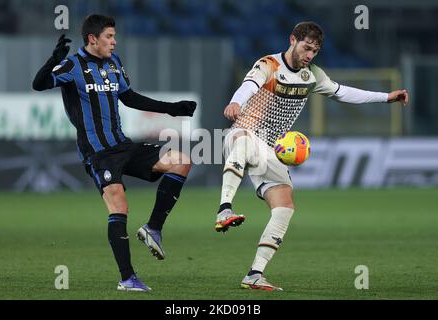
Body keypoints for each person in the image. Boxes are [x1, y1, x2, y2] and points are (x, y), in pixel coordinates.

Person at [215, 21, 408, 291]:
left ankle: (255, 274)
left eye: (314, 52)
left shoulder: (312, 75)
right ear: (293, 40)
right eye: (306, 48)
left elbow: (343, 93)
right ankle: (224, 209)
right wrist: (236, 101)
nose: (309, 56)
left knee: (284, 207)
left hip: (270, 150)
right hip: (241, 134)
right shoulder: (268, 64)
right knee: (243, 139)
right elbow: (249, 85)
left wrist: (386, 97)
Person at [32, 14, 196, 292]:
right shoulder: (72, 65)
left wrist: (171, 108)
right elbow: (39, 84)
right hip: (98, 153)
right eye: (109, 36)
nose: (114, 41)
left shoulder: (114, 63)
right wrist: (53, 59)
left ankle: (153, 228)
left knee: (181, 161)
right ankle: (127, 278)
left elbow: (129, 97)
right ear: (92, 39)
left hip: (123, 145)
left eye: (114, 36)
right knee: (119, 205)